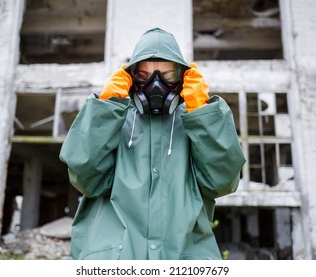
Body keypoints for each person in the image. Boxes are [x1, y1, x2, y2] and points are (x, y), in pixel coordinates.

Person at [59, 27, 246, 260]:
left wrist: (203, 113)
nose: (156, 85)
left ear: (182, 77)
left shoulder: (196, 124)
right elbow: (85, 177)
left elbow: (222, 182)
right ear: (130, 77)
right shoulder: (115, 120)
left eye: (167, 76)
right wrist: (105, 109)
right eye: (143, 76)